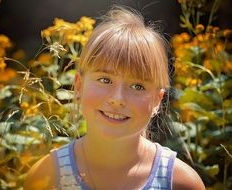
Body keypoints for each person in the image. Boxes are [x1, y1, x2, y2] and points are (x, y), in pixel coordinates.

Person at [24, 6, 206, 190]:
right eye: (105, 80)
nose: (117, 99)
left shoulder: (180, 182)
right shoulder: (48, 177)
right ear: (79, 85)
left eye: (138, 86)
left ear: (157, 101)